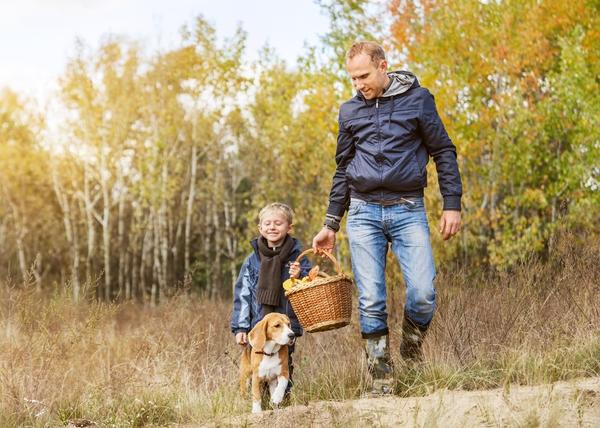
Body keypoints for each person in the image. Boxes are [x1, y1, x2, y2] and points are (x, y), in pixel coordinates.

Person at [312, 41, 462, 393]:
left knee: (423, 293)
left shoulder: (419, 99)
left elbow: (443, 150)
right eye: (352, 78)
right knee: (371, 299)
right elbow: (343, 169)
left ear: (383, 66)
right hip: (363, 212)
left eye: (363, 75)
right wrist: (331, 223)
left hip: (408, 208)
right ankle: (381, 378)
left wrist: (451, 203)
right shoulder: (349, 111)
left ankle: (411, 348)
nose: (358, 84)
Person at [231, 202, 311, 398]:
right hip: (259, 324)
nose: (272, 227)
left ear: (289, 227)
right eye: (267, 223)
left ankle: (282, 401)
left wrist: (300, 274)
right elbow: (243, 294)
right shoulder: (252, 260)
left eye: (278, 223)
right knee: (257, 362)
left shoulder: (297, 258)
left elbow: (310, 284)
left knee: (283, 362)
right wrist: (241, 327)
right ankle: (258, 400)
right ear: (260, 228)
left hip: (284, 326)